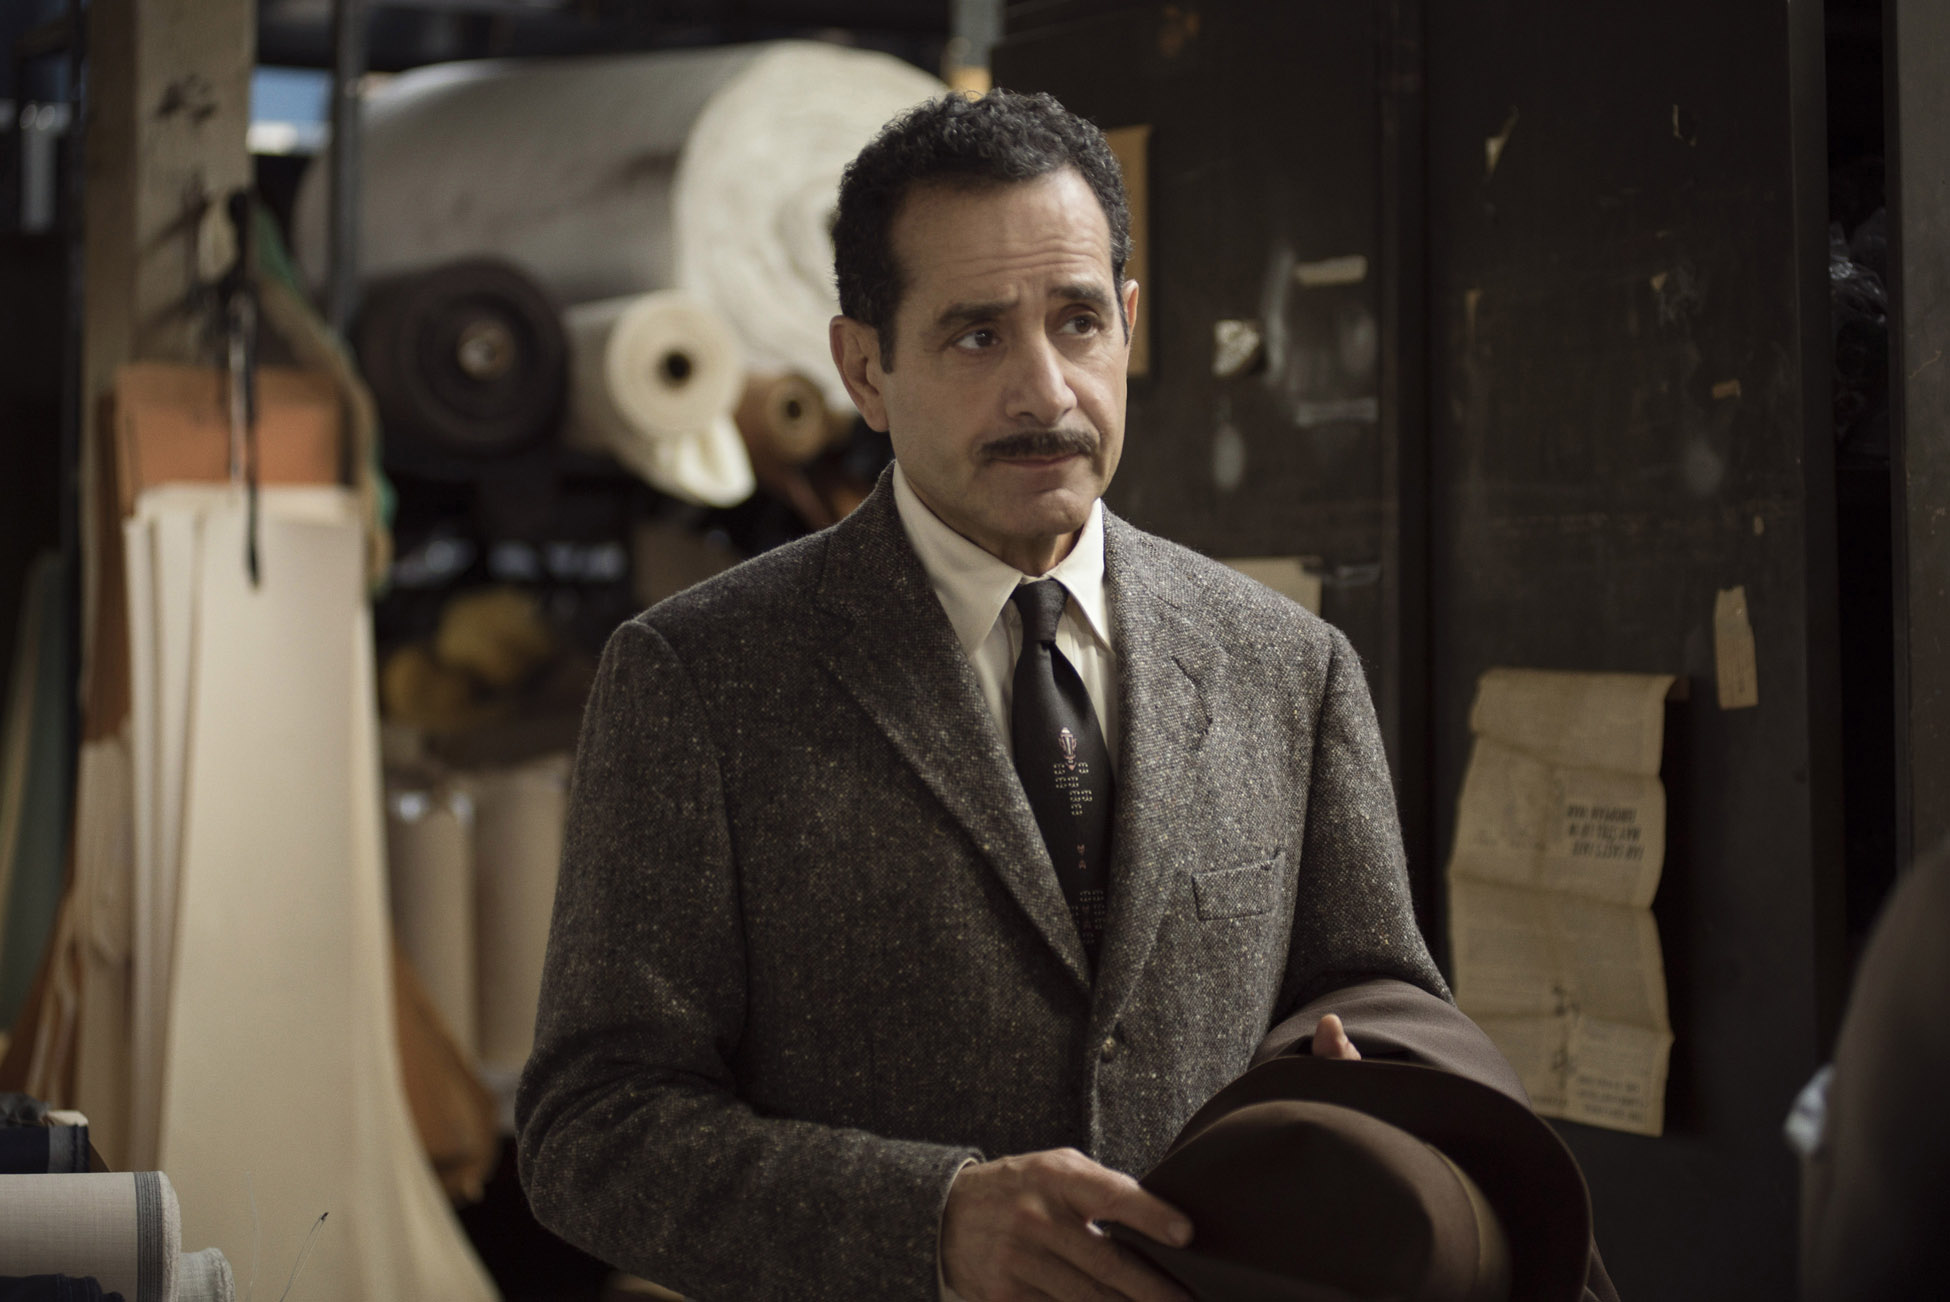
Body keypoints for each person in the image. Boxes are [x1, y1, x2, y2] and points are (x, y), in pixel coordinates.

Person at [517, 89, 1612, 1302]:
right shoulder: (699, 679)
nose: (1046, 393)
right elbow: (592, 1133)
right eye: (976, 337)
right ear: (865, 368)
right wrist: (932, 1221)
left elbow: (1377, 994)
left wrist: (1356, 1081)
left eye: (1078, 322)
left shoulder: (1286, 664)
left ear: (1128, 325)